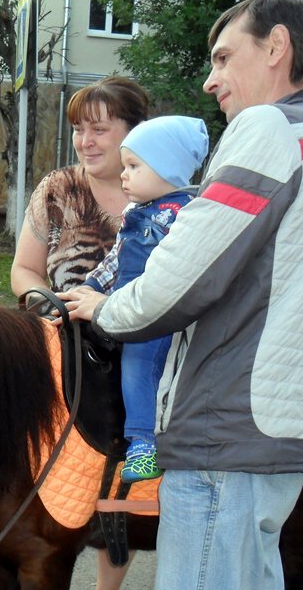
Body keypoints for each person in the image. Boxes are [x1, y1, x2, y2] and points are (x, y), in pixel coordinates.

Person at [60, 0, 303, 590]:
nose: (211, 79)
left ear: (277, 48)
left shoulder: (266, 129)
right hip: (283, 440)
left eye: (225, 57)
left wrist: (107, 308)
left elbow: (179, 279)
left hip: (226, 437)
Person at [9, 75, 149, 590]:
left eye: (100, 128)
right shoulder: (57, 189)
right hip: (60, 357)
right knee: (40, 486)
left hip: (140, 365)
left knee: (122, 492)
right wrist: (42, 304)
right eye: (78, 130)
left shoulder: (160, 192)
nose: (85, 142)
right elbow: (24, 269)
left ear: (132, 131)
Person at [79, 116, 208, 483]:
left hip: (153, 315)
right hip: (122, 307)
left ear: (168, 168)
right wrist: (89, 286)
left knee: (138, 360)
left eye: (134, 167)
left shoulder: (182, 216)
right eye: (125, 166)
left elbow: (173, 278)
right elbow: (116, 259)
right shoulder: (135, 213)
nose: (124, 176)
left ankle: (143, 443)